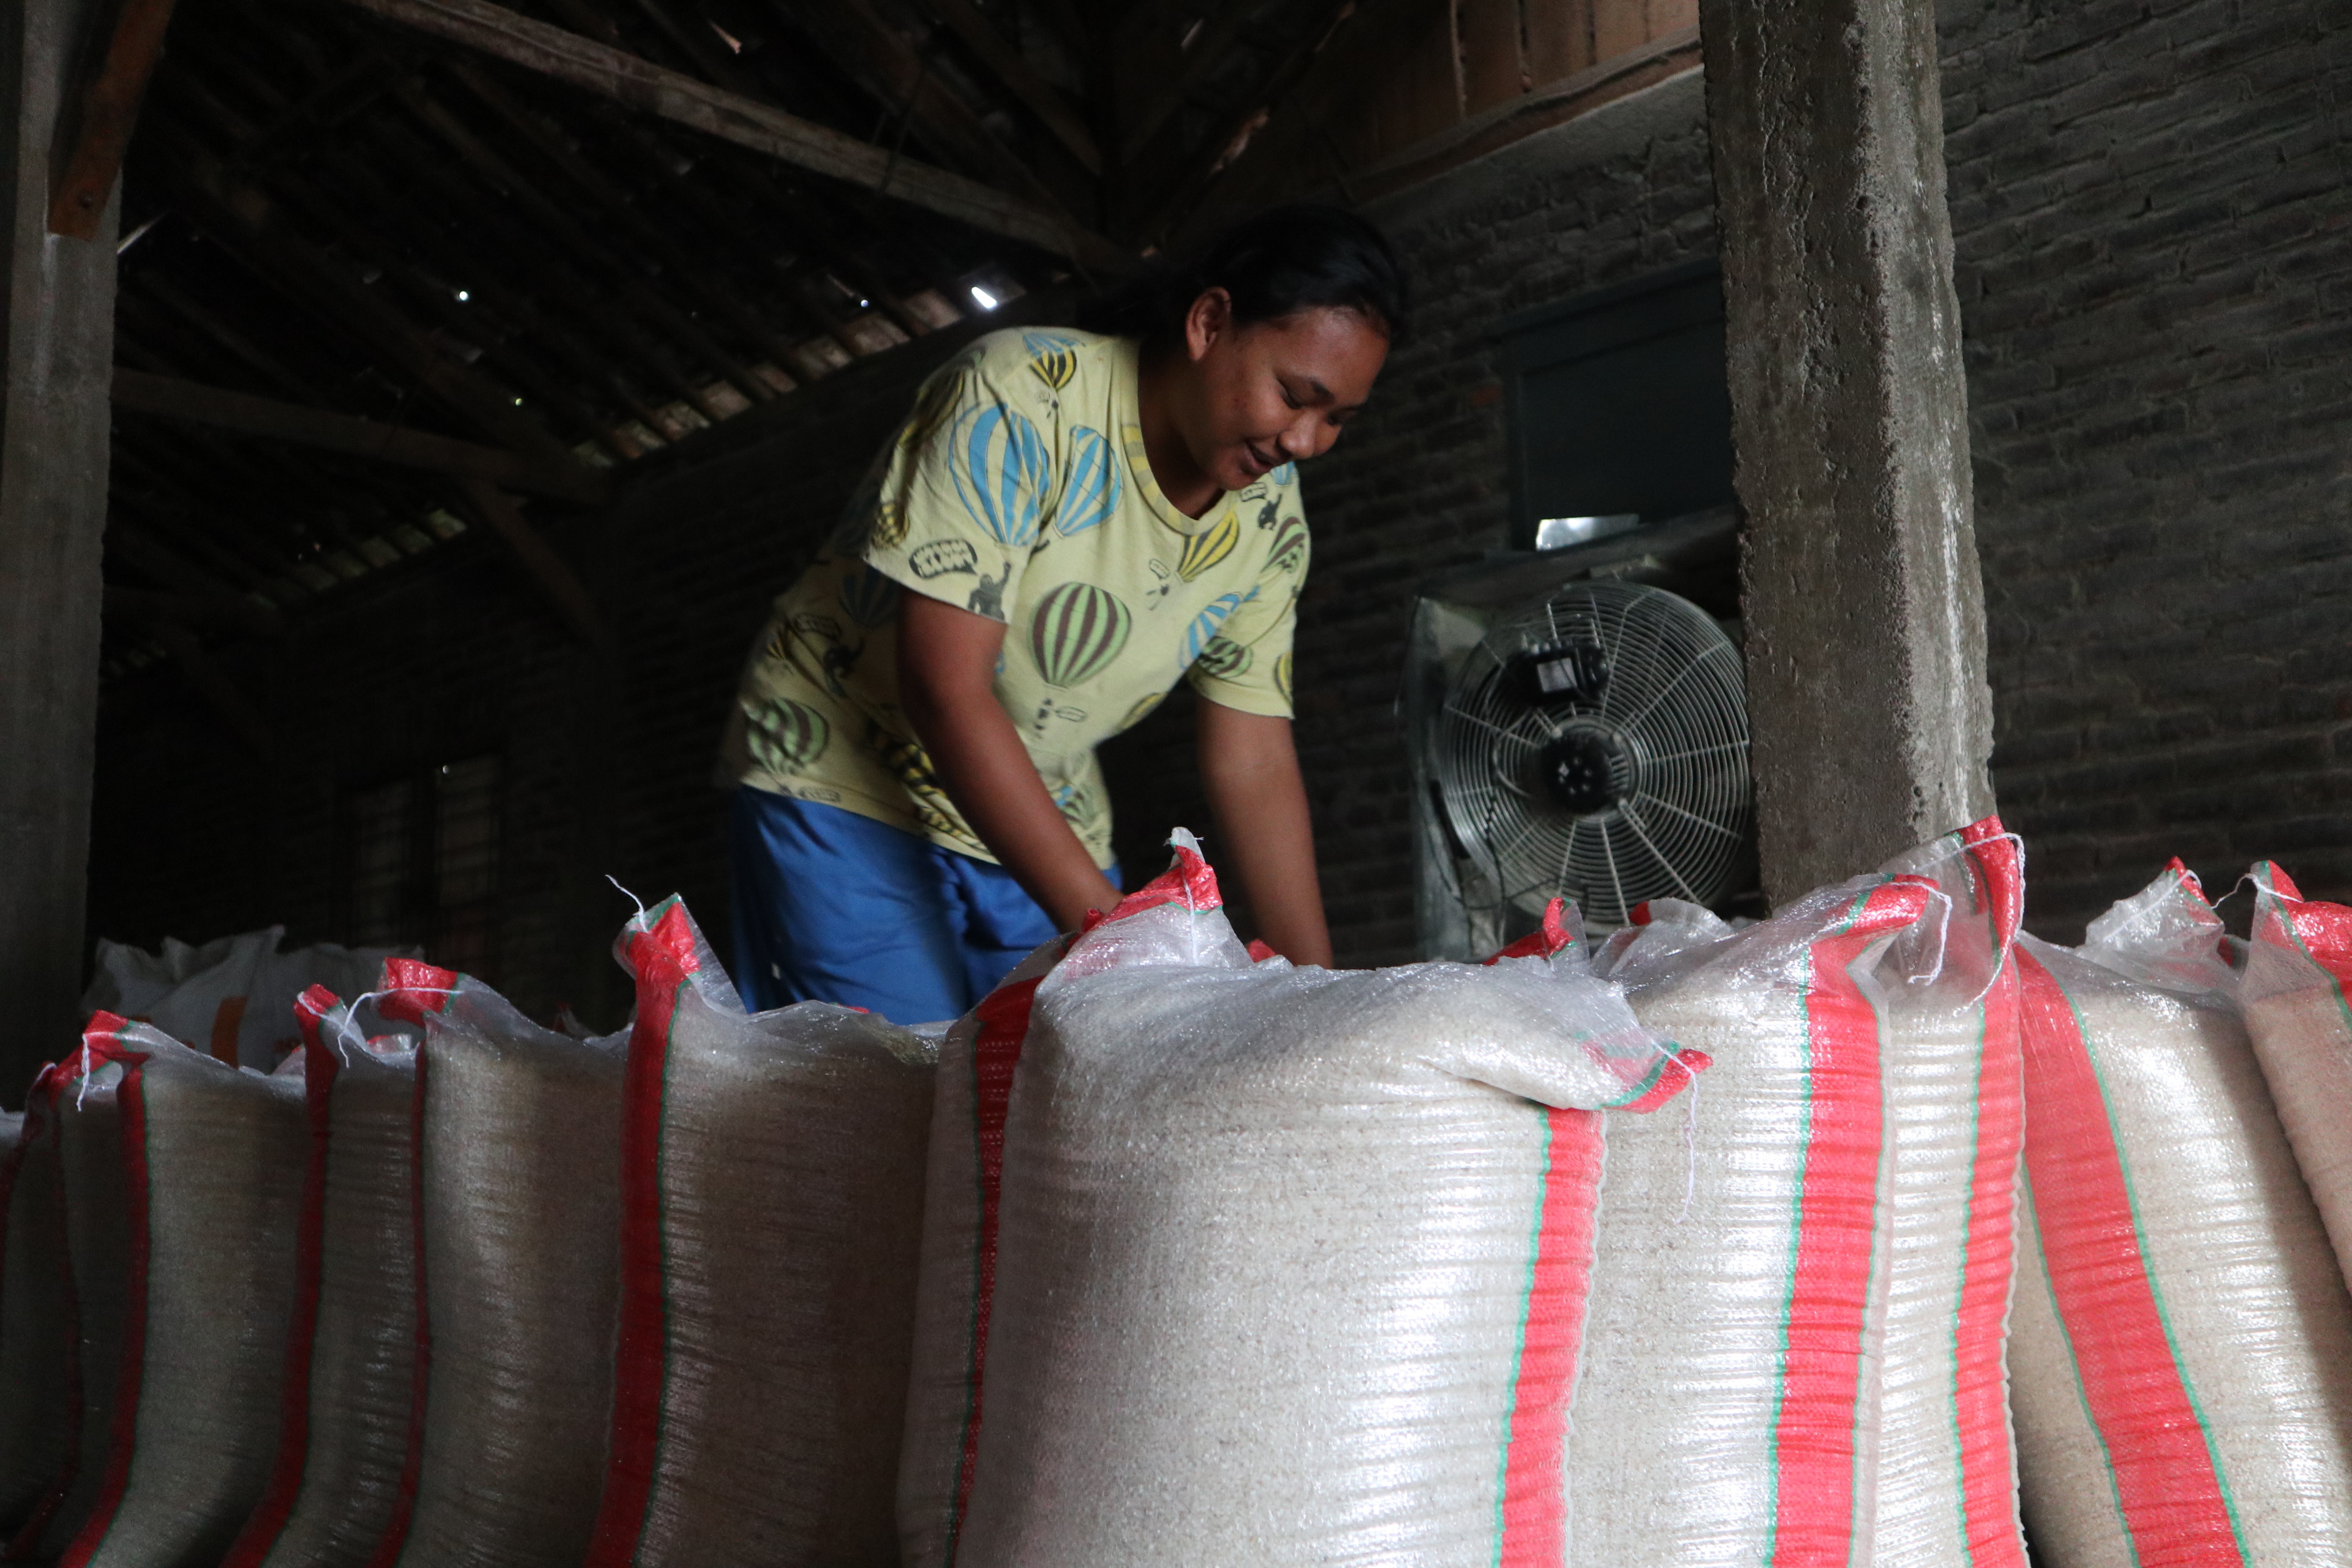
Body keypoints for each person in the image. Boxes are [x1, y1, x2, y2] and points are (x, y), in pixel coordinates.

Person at [719, 204, 1405, 1022]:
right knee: (905, 1090)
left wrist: (1317, 997)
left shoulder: (1269, 521)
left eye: (1337, 419)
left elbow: (1252, 753)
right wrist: (1117, 931)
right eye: (1295, 395)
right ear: (1210, 321)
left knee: (1049, 1094)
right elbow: (946, 687)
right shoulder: (1019, 397)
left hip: (1040, 806)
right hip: (843, 779)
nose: (1306, 441)